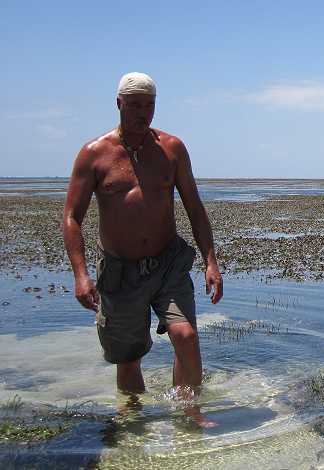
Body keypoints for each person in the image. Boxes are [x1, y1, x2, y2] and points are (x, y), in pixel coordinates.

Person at [62, 72, 223, 396]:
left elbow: (194, 208)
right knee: (128, 357)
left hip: (168, 263)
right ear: (119, 104)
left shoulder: (172, 149)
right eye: (134, 105)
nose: (142, 113)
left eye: (149, 106)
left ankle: (189, 413)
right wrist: (80, 275)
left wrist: (211, 262)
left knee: (186, 337)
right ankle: (134, 423)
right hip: (120, 269)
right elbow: (71, 218)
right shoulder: (94, 154)